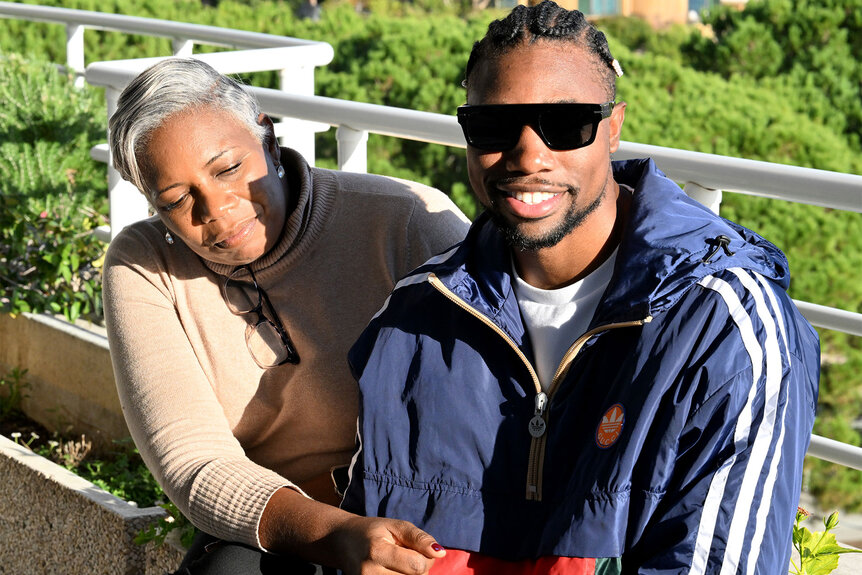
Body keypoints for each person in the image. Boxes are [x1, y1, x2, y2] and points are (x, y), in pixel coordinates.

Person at [341, 2, 821, 573]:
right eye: (494, 125)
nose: (528, 155)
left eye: (565, 124)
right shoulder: (414, 319)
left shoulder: (723, 328)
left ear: (613, 128)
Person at [102, 57, 468, 574]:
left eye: (228, 169)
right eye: (177, 200)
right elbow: (194, 461)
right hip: (279, 522)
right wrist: (334, 532)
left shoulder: (404, 223)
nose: (218, 210)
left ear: (268, 140)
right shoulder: (144, 265)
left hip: (426, 507)